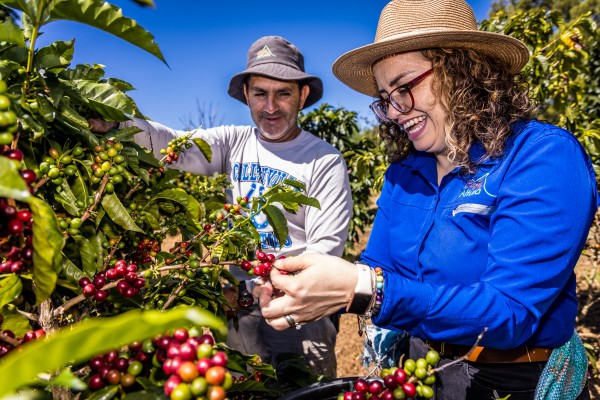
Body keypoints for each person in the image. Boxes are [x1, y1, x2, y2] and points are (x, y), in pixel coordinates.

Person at [257, 1, 597, 398]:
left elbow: (509, 312)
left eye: (405, 87)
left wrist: (365, 288)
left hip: (512, 379)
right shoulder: (405, 175)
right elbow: (378, 266)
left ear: (463, 72)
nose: (396, 111)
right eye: (386, 98)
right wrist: (307, 284)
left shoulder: (540, 156)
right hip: (421, 371)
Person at [89, 35, 352, 377]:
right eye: (260, 93)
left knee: (304, 390)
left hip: (301, 315)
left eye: (283, 93)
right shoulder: (233, 141)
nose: (270, 107)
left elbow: (324, 253)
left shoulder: (324, 160)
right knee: (246, 389)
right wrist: (117, 124)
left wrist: (266, 288)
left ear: (302, 96)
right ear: (246, 95)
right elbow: (173, 145)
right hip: (243, 314)